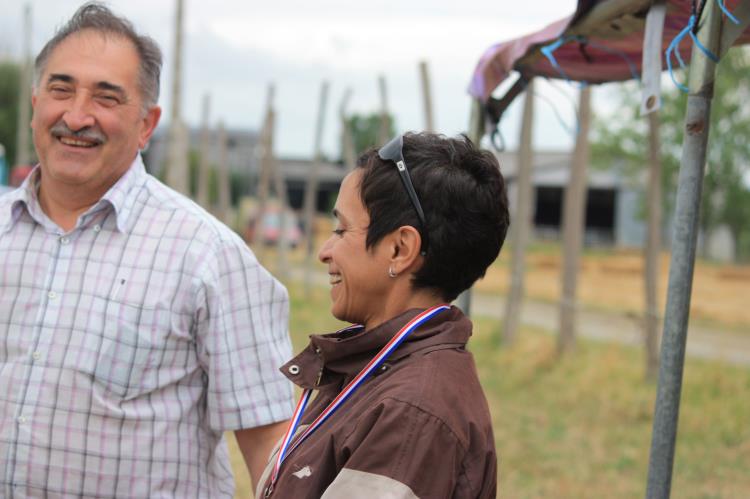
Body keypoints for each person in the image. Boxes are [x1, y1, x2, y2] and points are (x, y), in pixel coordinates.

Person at [0, 3, 294, 497]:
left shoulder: (208, 257)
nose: (76, 115)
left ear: (145, 125)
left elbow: (271, 446)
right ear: (34, 104)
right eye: (60, 89)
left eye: (106, 97)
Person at [257, 132, 510, 498]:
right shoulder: (380, 370)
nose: (325, 251)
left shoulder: (411, 413)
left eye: (342, 230)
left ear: (400, 249)